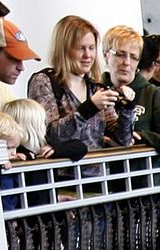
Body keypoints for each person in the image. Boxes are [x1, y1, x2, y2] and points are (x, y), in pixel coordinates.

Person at [26, 16, 127, 155]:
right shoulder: (44, 81)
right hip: (64, 168)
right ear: (64, 49)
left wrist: (127, 109)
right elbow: (50, 134)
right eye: (80, 48)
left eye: (91, 48)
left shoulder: (96, 88)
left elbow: (123, 141)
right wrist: (90, 107)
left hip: (100, 167)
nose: (88, 55)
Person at [105, 26, 160, 154]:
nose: (127, 62)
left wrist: (139, 136)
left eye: (133, 57)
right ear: (106, 55)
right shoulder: (93, 91)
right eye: (120, 55)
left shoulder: (151, 94)